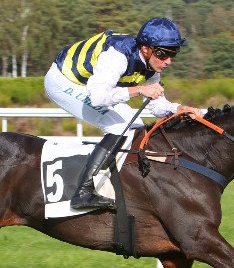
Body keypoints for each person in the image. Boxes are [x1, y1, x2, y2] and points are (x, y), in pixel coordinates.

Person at [44, 17, 203, 210]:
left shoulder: (151, 66)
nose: (168, 61)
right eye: (163, 54)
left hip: (90, 86)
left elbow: (156, 106)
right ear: (146, 49)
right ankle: (82, 192)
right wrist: (140, 90)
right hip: (64, 81)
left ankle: (116, 182)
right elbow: (98, 97)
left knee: (135, 128)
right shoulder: (117, 57)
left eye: (173, 54)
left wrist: (177, 109)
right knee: (119, 127)